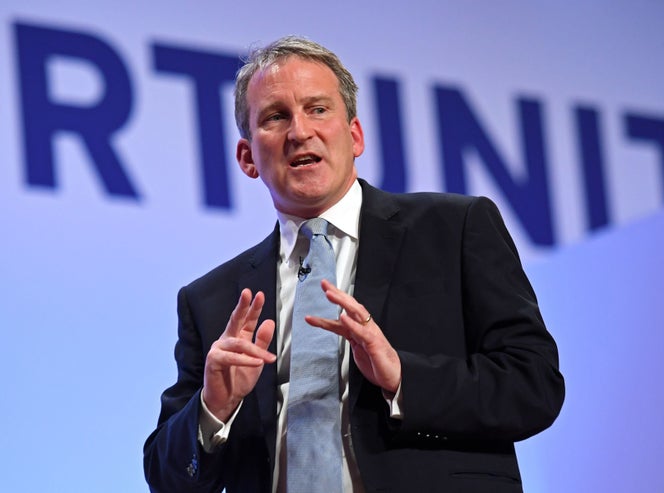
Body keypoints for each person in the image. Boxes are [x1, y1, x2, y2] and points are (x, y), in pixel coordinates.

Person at [143, 35, 564, 493]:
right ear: (247, 158)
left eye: (318, 109)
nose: (300, 131)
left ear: (355, 135)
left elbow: (533, 385)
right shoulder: (213, 300)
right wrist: (213, 408)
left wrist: (403, 376)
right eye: (275, 117)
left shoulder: (454, 229)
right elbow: (167, 478)